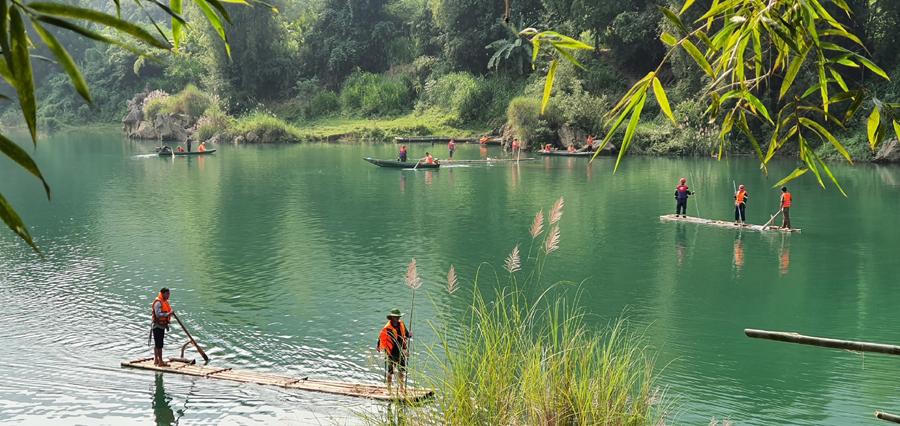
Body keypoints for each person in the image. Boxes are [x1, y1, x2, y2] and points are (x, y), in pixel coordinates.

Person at [376, 309, 411, 391]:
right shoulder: (387, 328)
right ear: (391, 317)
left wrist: (409, 335)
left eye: (398, 317)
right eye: (395, 317)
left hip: (401, 351)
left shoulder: (401, 324)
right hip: (391, 352)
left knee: (402, 370)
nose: (397, 318)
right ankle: (389, 388)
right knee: (390, 371)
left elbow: (406, 334)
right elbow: (381, 338)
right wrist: (378, 347)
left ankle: (401, 388)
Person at [151, 288, 174, 367]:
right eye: (167, 294)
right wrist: (168, 314)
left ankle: (156, 360)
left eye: (169, 294)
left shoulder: (164, 302)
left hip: (162, 326)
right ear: (163, 293)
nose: (168, 295)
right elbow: (158, 315)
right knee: (159, 344)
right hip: (157, 326)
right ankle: (160, 362)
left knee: (157, 343)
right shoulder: (158, 303)